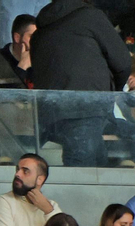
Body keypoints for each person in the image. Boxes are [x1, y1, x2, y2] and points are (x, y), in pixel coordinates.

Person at [31, 0, 131, 167]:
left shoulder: (39, 31)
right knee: (82, 177)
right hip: (87, 108)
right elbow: (122, 62)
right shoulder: (91, 17)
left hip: (50, 114)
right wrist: (115, 92)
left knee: (95, 171)